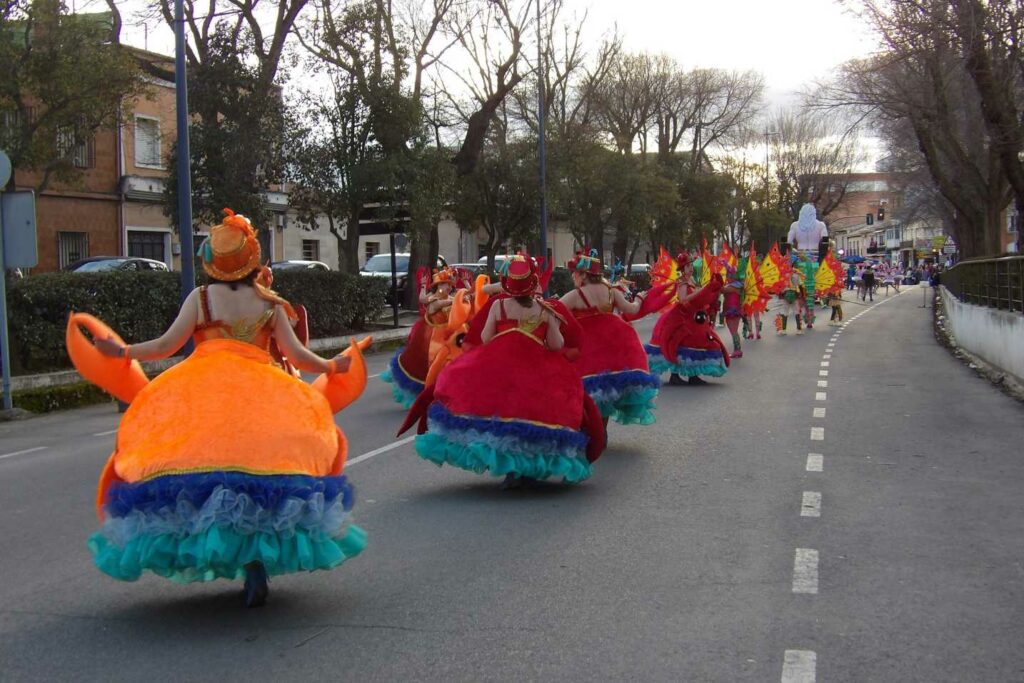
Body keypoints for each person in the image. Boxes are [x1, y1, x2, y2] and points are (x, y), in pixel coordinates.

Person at [73, 210, 368, 607]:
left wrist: (123, 351)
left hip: (202, 394)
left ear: (213, 262)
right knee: (259, 478)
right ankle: (254, 567)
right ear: (253, 261)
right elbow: (297, 353)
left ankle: (220, 554)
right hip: (263, 393)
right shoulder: (269, 301)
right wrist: (333, 365)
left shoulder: (201, 299)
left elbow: (166, 346)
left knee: (201, 475)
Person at [399, 253, 604, 488]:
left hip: (502, 368)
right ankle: (526, 469)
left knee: (501, 412)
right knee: (535, 414)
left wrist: (505, 337)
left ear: (508, 284)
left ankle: (511, 471)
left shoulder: (498, 305)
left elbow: (485, 337)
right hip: (537, 369)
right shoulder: (546, 310)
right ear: (534, 284)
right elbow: (557, 345)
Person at [559, 249, 667, 427]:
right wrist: (639, 298)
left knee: (588, 391)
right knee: (606, 392)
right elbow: (632, 309)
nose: (573, 277)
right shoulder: (610, 290)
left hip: (588, 350)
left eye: (575, 273)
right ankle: (602, 429)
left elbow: (556, 310)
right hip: (613, 346)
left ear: (584, 275)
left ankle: (590, 430)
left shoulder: (575, 296)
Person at [646, 251, 729, 385]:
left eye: (691, 265)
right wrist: (700, 292)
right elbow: (683, 299)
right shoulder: (682, 281)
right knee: (679, 343)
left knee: (697, 343)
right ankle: (675, 375)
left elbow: (697, 297)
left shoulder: (692, 280)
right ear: (683, 268)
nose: (691, 268)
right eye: (688, 266)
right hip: (682, 316)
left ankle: (693, 375)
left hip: (694, 316)